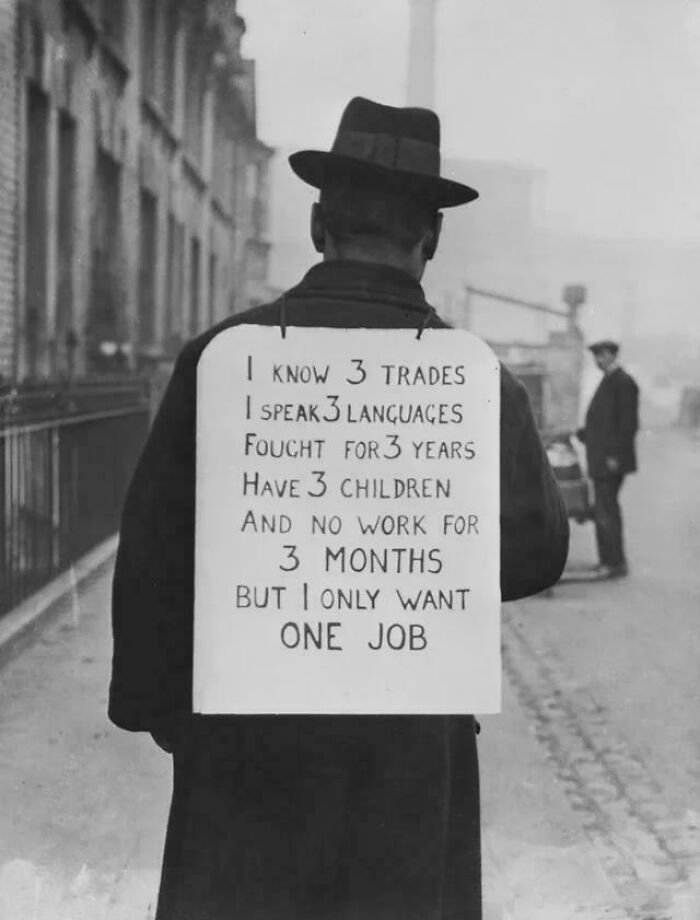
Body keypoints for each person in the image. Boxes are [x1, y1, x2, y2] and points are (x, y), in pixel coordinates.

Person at [109, 97, 569, 920]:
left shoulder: (223, 358)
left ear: (319, 225)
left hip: (244, 742)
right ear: (432, 238)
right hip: (408, 750)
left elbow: (152, 552)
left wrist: (172, 713)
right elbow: (537, 551)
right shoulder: (475, 378)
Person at [577, 340, 639, 578]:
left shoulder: (623, 382)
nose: (598, 360)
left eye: (602, 355)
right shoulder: (609, 380)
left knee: (606, 510)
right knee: (604, 509)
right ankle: (608, 560)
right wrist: (581, 433)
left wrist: (615, 456)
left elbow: (627, 425)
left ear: (613, 355)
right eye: (595, 356)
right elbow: (603, 421)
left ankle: (613, 564)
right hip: (601, 459)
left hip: (610, 461)